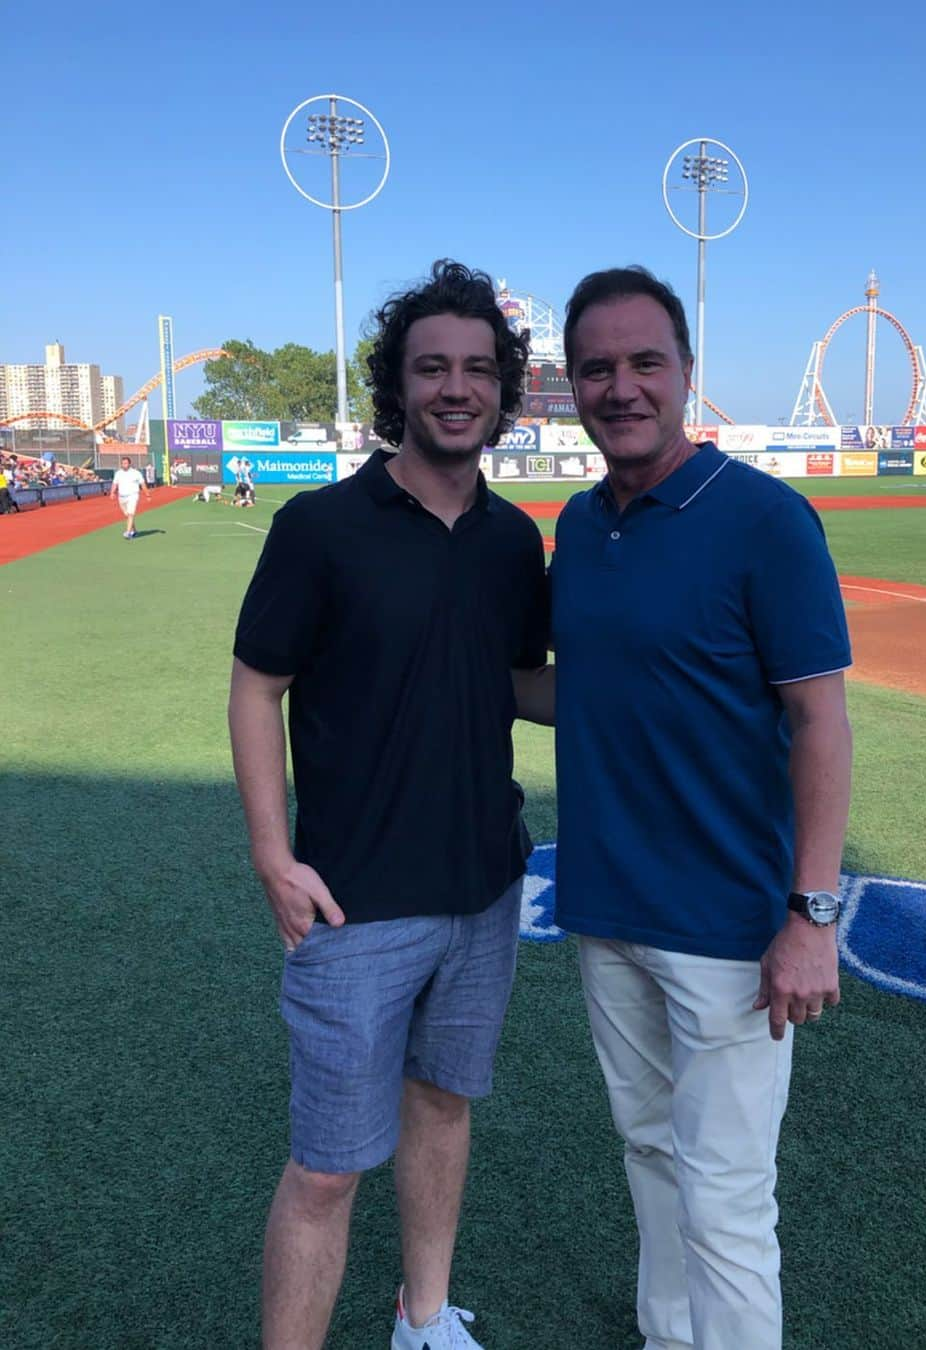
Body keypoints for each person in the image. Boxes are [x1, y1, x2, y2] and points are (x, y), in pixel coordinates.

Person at [228, 260, 549, 1350]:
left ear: (503, 389)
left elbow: (515, 679)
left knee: (444, 1107)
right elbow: (256, 682)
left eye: (476, 369)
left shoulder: (514, 541)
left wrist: (671, 672)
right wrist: (272, 853)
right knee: (325, 1169)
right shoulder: (321, 527)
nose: (455, 388)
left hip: (485, 888)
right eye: (432, 369)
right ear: (398, 386)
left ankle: (423, 1316)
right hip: (353, 902)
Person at [548, 267, 853, 1350]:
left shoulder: (766, 518)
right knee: (648, 1156)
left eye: (644, 363)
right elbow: (576, 683)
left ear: (686, 376)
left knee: (725, 1198)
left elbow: (820, 721)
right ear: (570, 384)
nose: (621, 387)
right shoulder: (579, 527)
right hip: (605, 908)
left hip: (730, 928)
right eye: (597, 367)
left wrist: (812, 918)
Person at [110, 456, 148, 539]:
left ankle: (128, 532)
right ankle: (134, 530)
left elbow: (142, 484)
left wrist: (147, 494)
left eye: (126, 463)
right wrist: (112, 492)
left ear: (129, 464)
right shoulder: (118, 473)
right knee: (127, 515)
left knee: (131, 513)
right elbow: (115, 484)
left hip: (133, 495)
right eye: (123, 463)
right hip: (122, 497)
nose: (124, 465)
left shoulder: (136, 473)